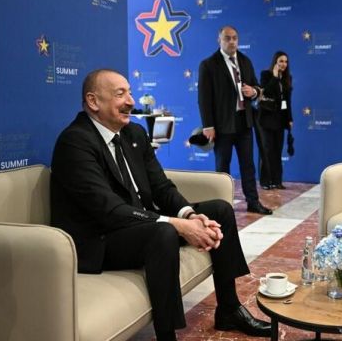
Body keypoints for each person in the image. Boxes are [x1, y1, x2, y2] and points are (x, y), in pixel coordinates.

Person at [51, 69, 271, 341]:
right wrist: (177, 225)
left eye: (130, 92)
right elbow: (109, 211)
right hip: (101, 239)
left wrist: (190, 215)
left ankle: (229, 309)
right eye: (120, 94)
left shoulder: (133, 133)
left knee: (220, 210)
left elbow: (161, 187)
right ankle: (167, 335)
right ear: (93, 101)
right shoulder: (75, 142)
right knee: (163, 231)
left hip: (137, 225)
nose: (131, 101)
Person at [198, 25, 271, 215]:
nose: (232, 42)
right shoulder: (208, 64)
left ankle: (253, 202)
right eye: (227, 38)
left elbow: (256, 87)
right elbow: (204, 98)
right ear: (219, 40)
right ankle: (222, 205)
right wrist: (208, 125)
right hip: (222, 125)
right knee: (223, 167)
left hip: (244, 122)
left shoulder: (245, 61)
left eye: (235, 38)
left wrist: (253, 92)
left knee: (248, 165)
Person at [257, 51, 293, 190]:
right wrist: (274, 76)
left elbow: (287, 101)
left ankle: (277, 181)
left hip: (280, 119)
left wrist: (289, 119)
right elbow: (265, 91)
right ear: (275, 62)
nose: (283, 64)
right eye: (281, 61)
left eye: (286, 61)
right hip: (266, 118)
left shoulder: (288, 78)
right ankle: (265, 181)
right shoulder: (266, 75)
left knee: (277, 150)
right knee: (266, 150)